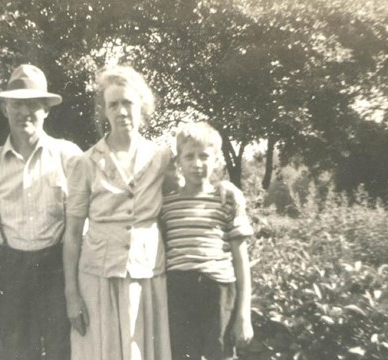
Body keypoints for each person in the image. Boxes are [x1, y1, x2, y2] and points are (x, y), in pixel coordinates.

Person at [63, 65, 173, 360]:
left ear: (142, 107)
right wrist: (71, 294)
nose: (122, 111)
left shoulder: (161, 158)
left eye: (128, 102)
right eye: (114, 104)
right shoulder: (85, 163)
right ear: (104, 111)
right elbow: (72, 233)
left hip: (146, 273)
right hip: (98, 278)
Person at [0, 64, 82, 360]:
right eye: (17, 104)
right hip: (10, 269)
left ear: (46, 110)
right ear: (5, 109)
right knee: (17, 352)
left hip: (58, 267)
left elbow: (83, 224)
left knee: (64, 349)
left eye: (33, 104)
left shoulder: (69, 156)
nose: (25, 112)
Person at [161, 122, 254, 360]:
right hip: (178, 291)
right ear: (178, 161)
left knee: (220, 355)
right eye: (189, 156)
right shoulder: (167, 204)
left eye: (204, 156)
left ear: (217, 160)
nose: (196, 164)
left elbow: (240, 259)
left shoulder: (227, 199)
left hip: (218, 290)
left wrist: (244, 314)